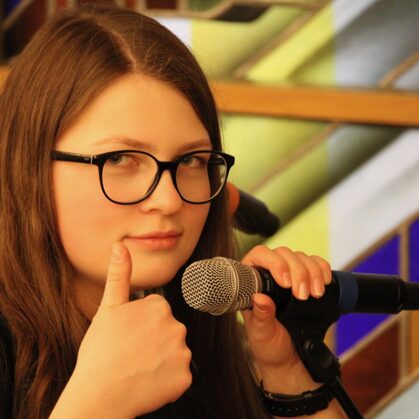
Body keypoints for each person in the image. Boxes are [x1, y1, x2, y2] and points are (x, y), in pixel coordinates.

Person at [0, 5, 346, 419]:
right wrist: (98, 403)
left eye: (191, 160)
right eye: (121, 159)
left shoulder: (193, 344)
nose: (168, 200)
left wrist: (290, 375)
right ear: (28, 165)